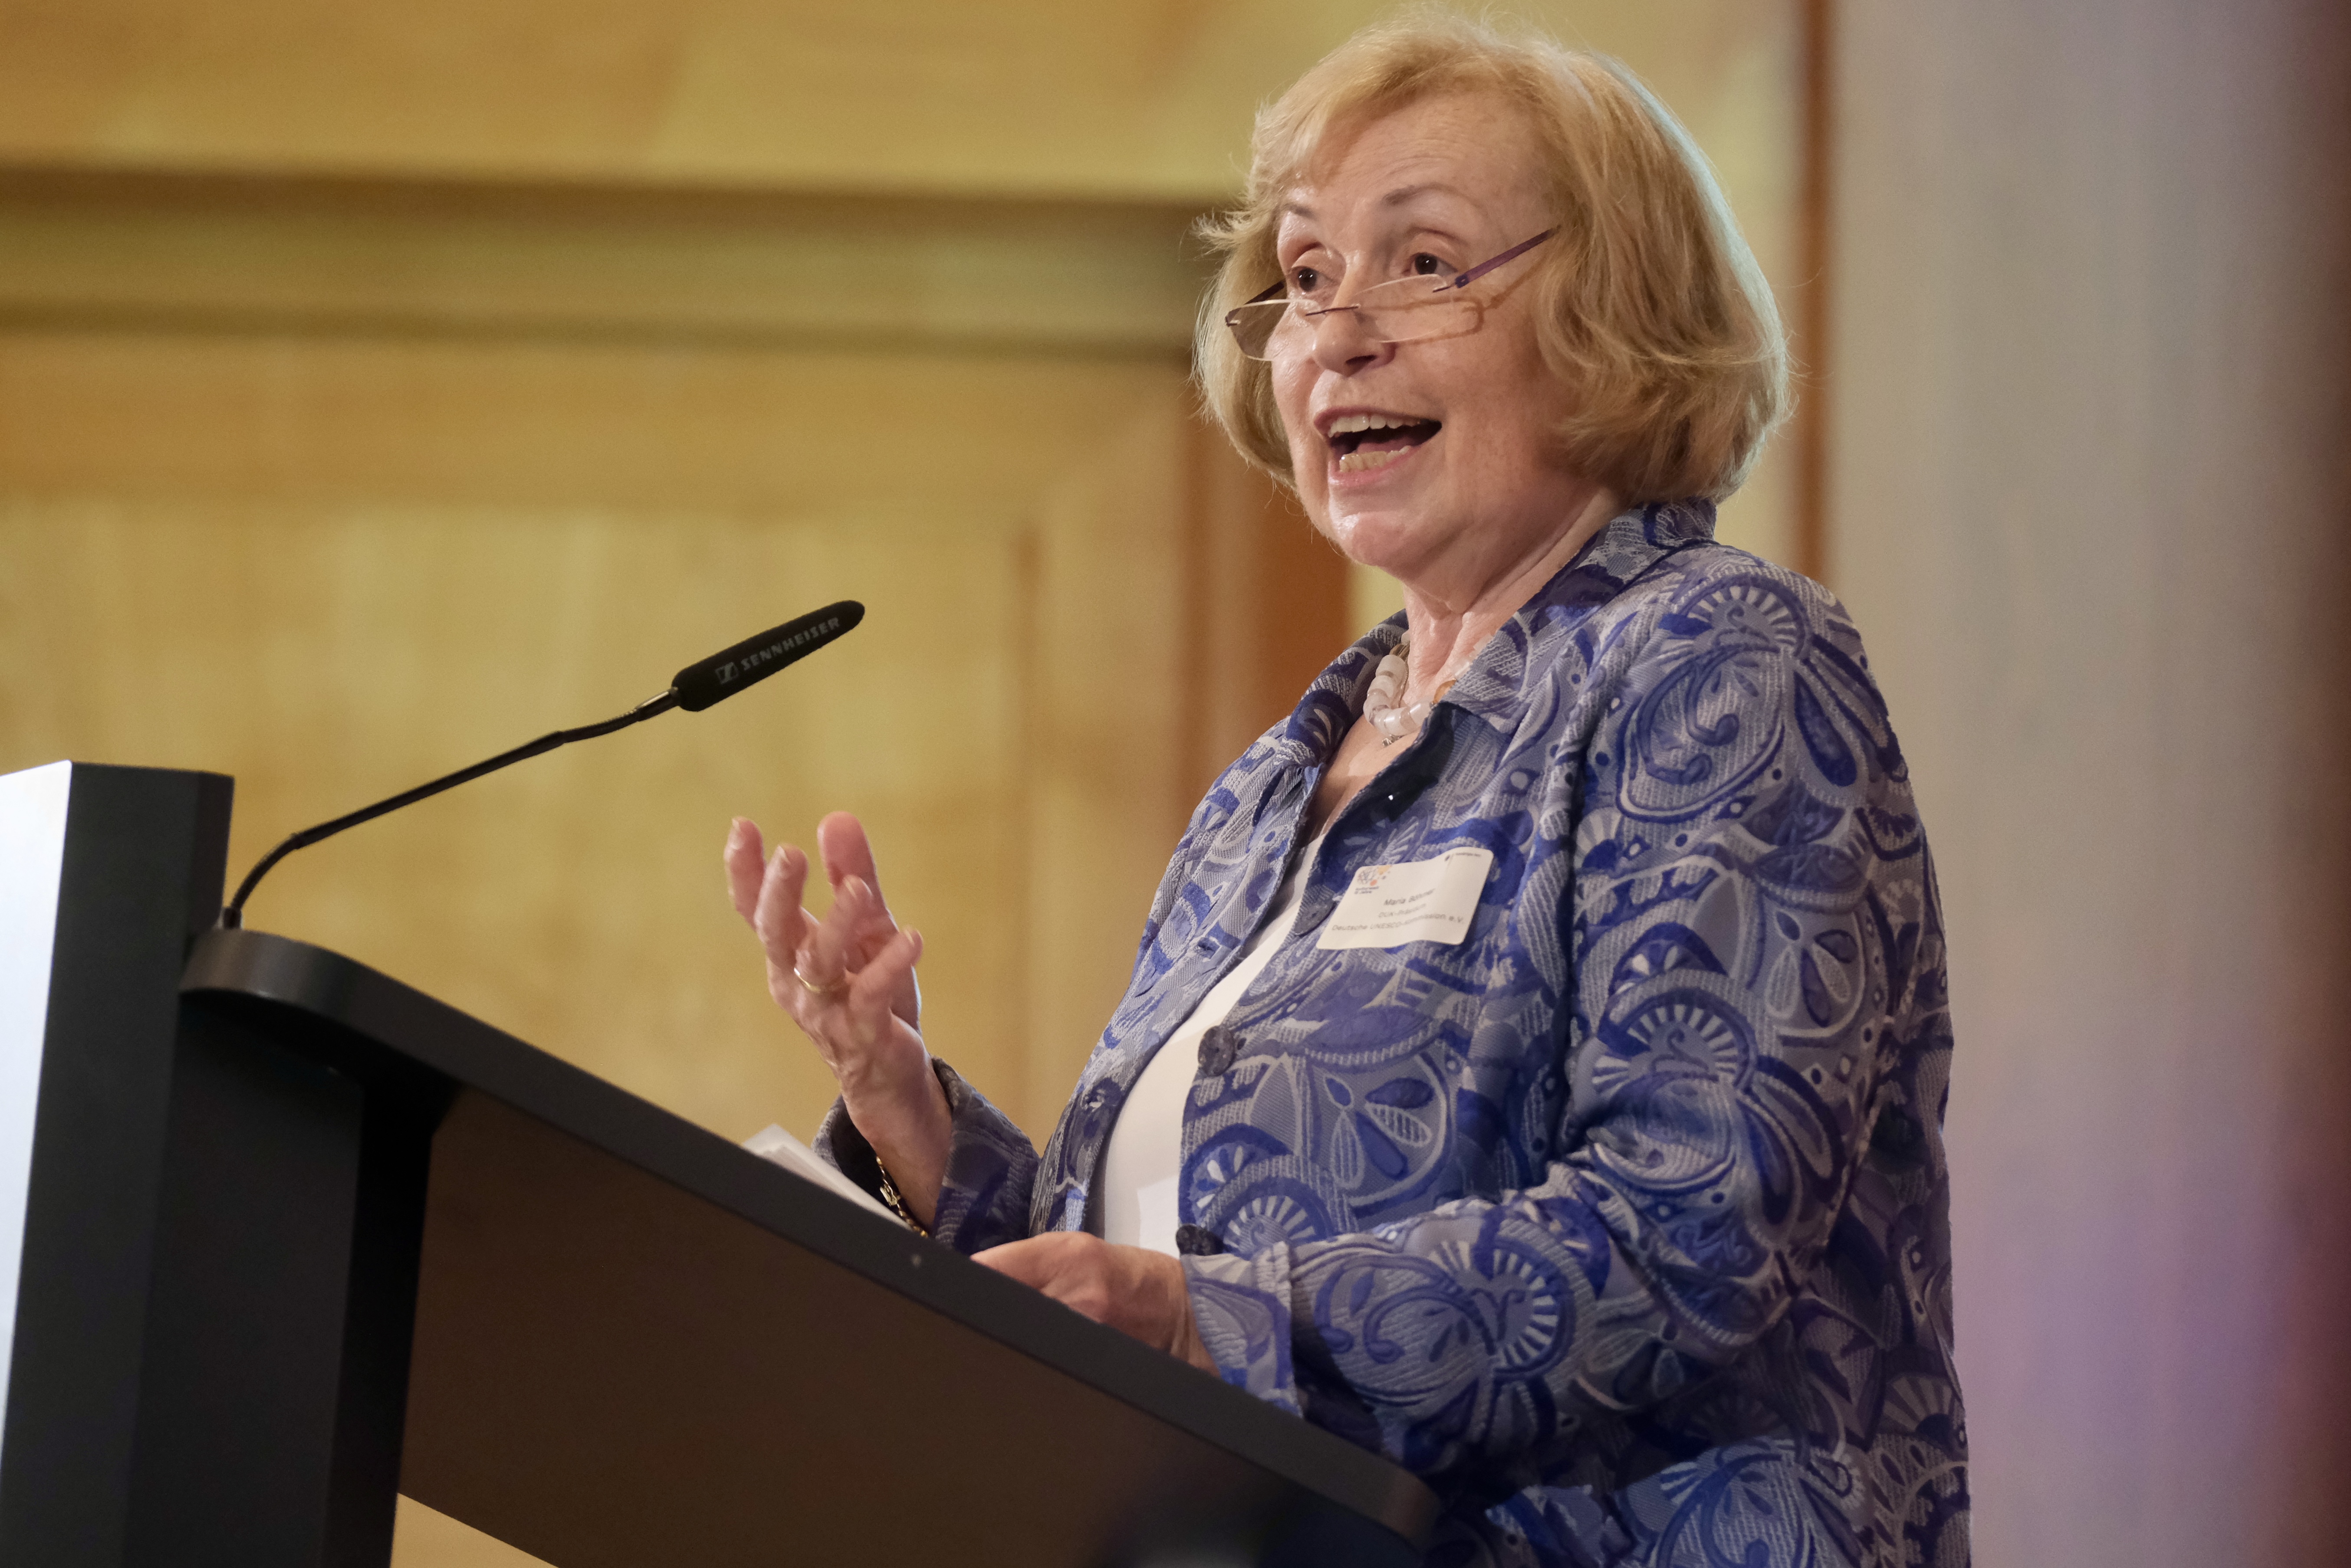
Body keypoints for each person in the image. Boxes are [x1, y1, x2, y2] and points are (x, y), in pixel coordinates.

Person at [723, 15, 1964, 1567]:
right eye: (1304, 278)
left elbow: (1691, 1230)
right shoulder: (1278, 782)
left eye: (1424, 263)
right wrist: (920, 1133)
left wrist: (1196, 1317)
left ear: (1614, 313)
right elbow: (1172, 1309)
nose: (1337, 332)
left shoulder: (1712, 662)